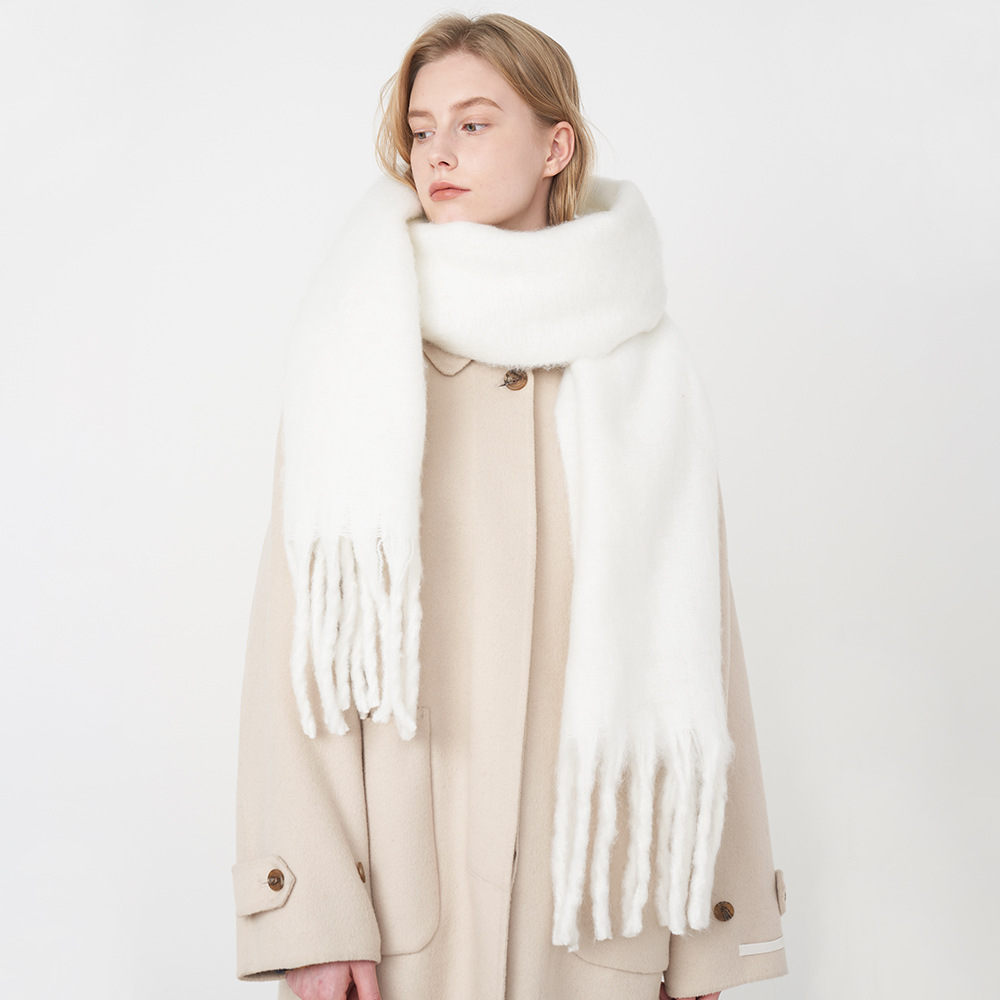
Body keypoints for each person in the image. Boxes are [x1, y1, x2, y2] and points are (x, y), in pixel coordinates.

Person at [233, 13, 788, 1000]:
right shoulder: (357, 358)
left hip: (601, 927)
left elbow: (705, 659)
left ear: (554, 146)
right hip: (404, 925)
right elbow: (299, 655)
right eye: (421, 130)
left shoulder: (645, 374)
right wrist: (313, 915)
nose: (436, 153)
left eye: (474, 124)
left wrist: (709, 933)